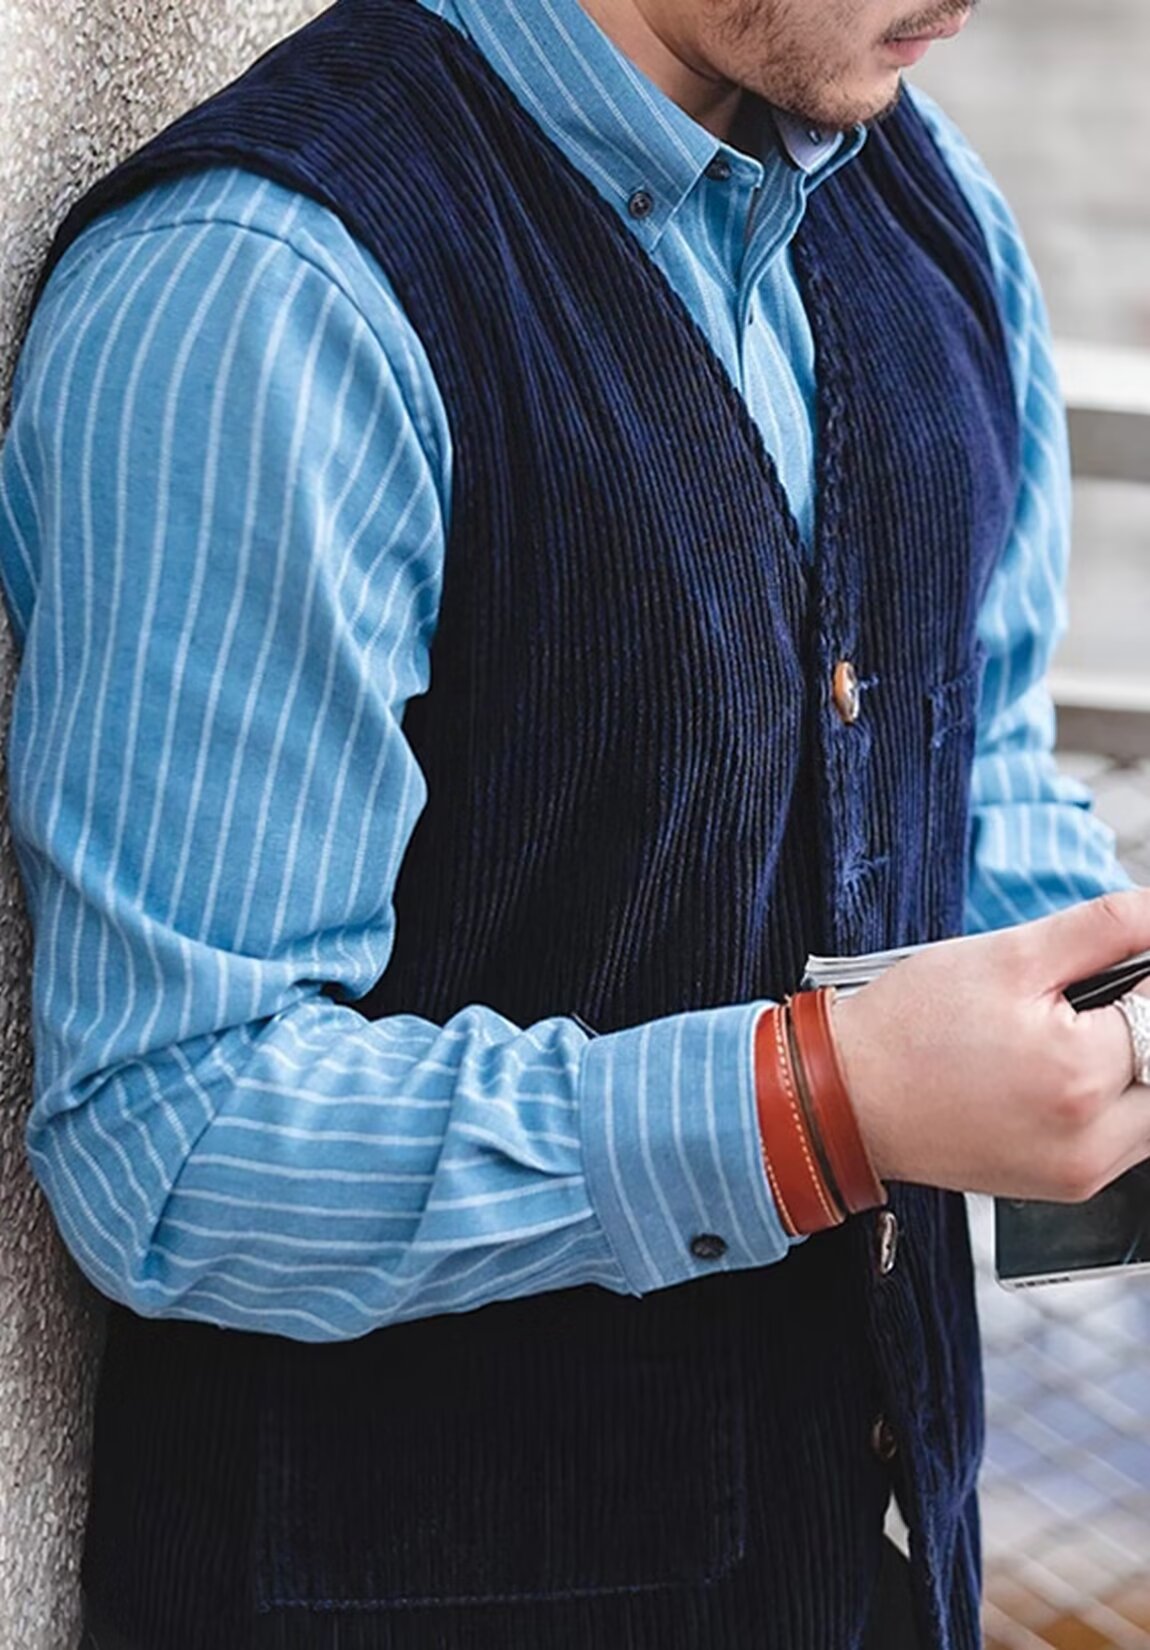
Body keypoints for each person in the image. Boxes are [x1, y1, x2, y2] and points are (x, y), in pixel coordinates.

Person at [1, 0, 1148, 1646]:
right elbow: (167, 1135)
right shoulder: (260, 292)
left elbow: (977, 780)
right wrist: (813, 1104)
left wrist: (1119, 1038)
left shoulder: (931, 199)